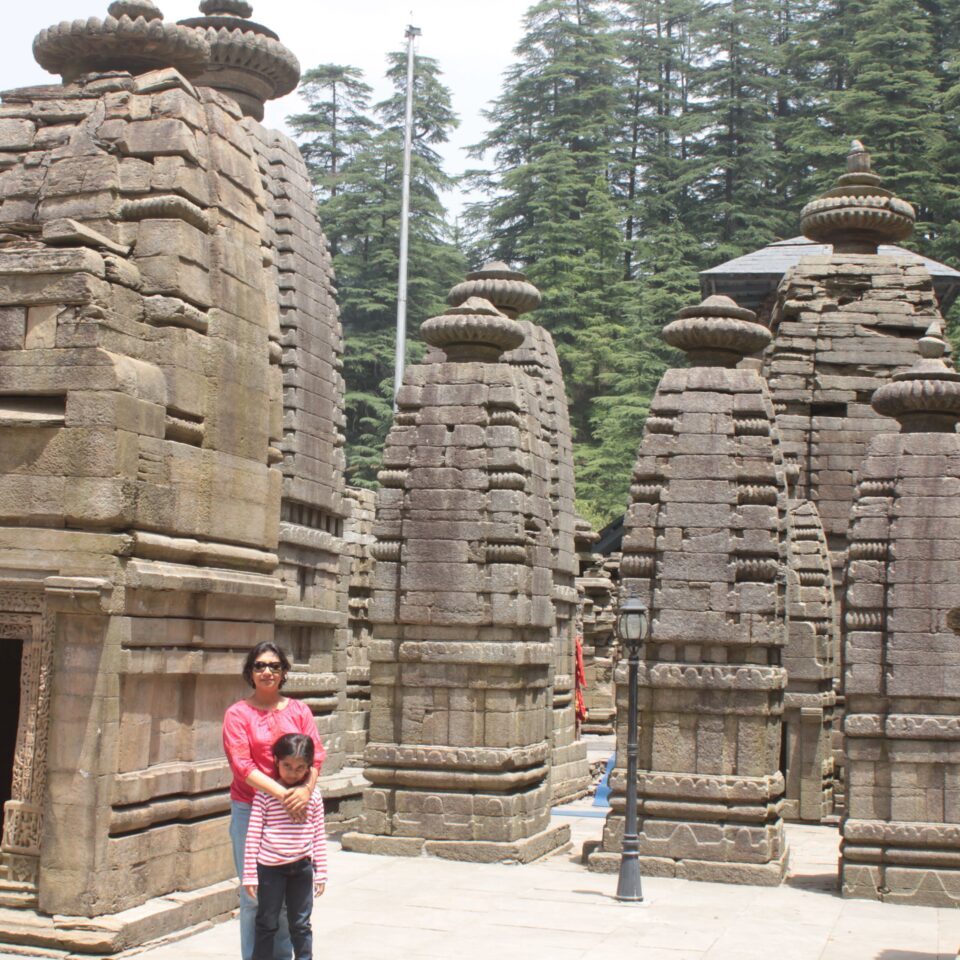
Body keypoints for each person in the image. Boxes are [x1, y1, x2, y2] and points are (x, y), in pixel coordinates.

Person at [223, 642, 326, 960]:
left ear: (283, 672)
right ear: (250, 672)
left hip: (296, 812)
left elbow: (316, 755)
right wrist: (283, 795)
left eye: (274, 666)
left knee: (287, 900)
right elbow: (242, 766)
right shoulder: (238, 714)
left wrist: (305, 792)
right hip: (251, 808)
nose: (267, 671)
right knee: (254, 895)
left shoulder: (299, 711)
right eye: (259, 665)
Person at [242, 734, 327, 960]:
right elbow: (253, 836)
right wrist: (250, 874)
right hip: (270, 869)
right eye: (287, 766)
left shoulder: (314, 797)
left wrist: (321, 873)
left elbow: (319, 834)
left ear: (309, 768)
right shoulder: (265, 795)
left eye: (300, 768)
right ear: (276, 761)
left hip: (302, 868)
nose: (293, 772)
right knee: (266, 921)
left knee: (300, 924)